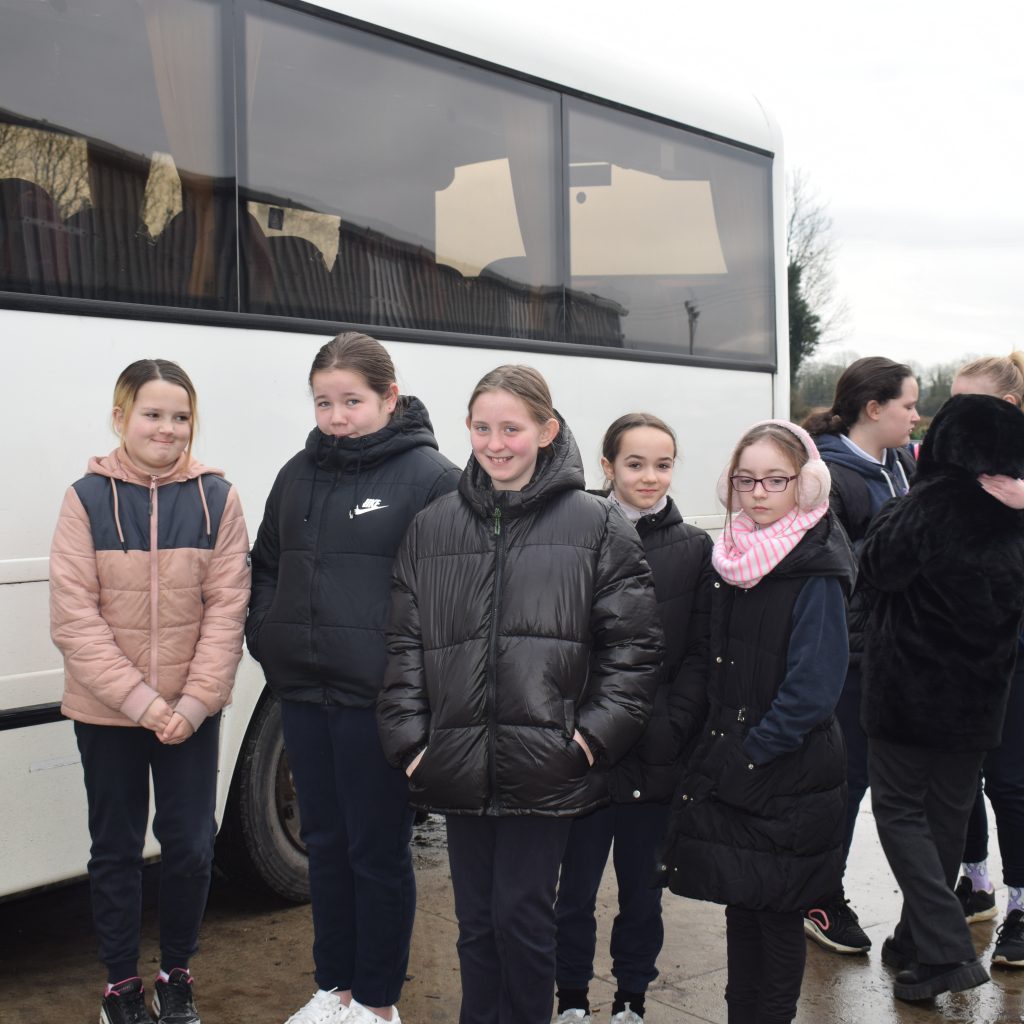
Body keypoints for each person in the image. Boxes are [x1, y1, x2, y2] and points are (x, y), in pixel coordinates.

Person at [377, 365, 663, 1024]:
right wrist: (413, 745)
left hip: (550, 765)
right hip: (456, 763)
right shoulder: (433, 526)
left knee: (523, 920)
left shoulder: (596, 524)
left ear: (547, 429)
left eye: (512, 427)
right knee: (476, 924)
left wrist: (589, 739)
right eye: (482, 427)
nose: (495, 442)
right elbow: (402, 648)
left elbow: (635, 651)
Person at [245, 333, 461, 1024]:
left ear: (389, 398)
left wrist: (414, 685)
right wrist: (267, 633)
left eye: (352, 402)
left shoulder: (432, 479)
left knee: (376, 852)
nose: (336, 417)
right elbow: (267, 563)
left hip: (379, 705)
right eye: (324, 403)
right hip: (304, 695)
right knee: (327, 849)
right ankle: (332, 988)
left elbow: (451, 596)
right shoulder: (296, 474)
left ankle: (375, 1000)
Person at [49, 358, 251, 1024]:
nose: (168, 429)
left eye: (181, 417)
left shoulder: (218, 499)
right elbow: (74, 619)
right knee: (116, 847)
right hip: (108, 714)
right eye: (153, 414)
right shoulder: (84, 499)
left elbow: (228, 610)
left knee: (192, 845)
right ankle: (119, 991)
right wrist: (144, 704)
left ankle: (175, 978)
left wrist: (191, 705)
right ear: (121, 418)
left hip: (190, 717)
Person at [658, 419, 856, 1024]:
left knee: (775, 916)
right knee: (741, 908)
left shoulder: (815, 565)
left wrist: (753, 752)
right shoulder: (734, 558)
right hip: (733, 762)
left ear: (806, 484)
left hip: (783, 771)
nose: (760, 491)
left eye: (777, 479)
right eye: (748, 479)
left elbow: (814, 686)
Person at [860, 394, 1024, 1001]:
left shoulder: (924, 506)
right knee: (947, 817)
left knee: (900, 812)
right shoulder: (1013, 512)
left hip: (907, 690)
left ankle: (949, 950)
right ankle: (917, 944)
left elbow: (876, 569)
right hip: (981, 697)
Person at [553, 413, 712, 1024]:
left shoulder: (695, 549)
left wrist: (673, 722)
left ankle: (631, 999)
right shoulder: (574, 533)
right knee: (573, 893)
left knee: (642, 893)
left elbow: (700, 653)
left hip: (655, 751)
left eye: (663, 464)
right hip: (583, 748)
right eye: (636, 463)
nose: (650, 476)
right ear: (608, 466)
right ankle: (570, 999)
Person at [801, 356, 919, 954]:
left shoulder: (899, 461)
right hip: (851, 657)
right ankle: (819, 896)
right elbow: (837, 573)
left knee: (879, 781)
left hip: (892, 652)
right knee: (845, 782)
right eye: (908, 405)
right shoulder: (829, 475)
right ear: (874, 409)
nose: (916, 416)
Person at [947, 353, 1024, 965]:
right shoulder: (950, 464)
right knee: (960, 774)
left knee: (1012, 780)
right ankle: (975, 881)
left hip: (1016, 654)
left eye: (973, 402)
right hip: (957, 649)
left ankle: (1023, 903)